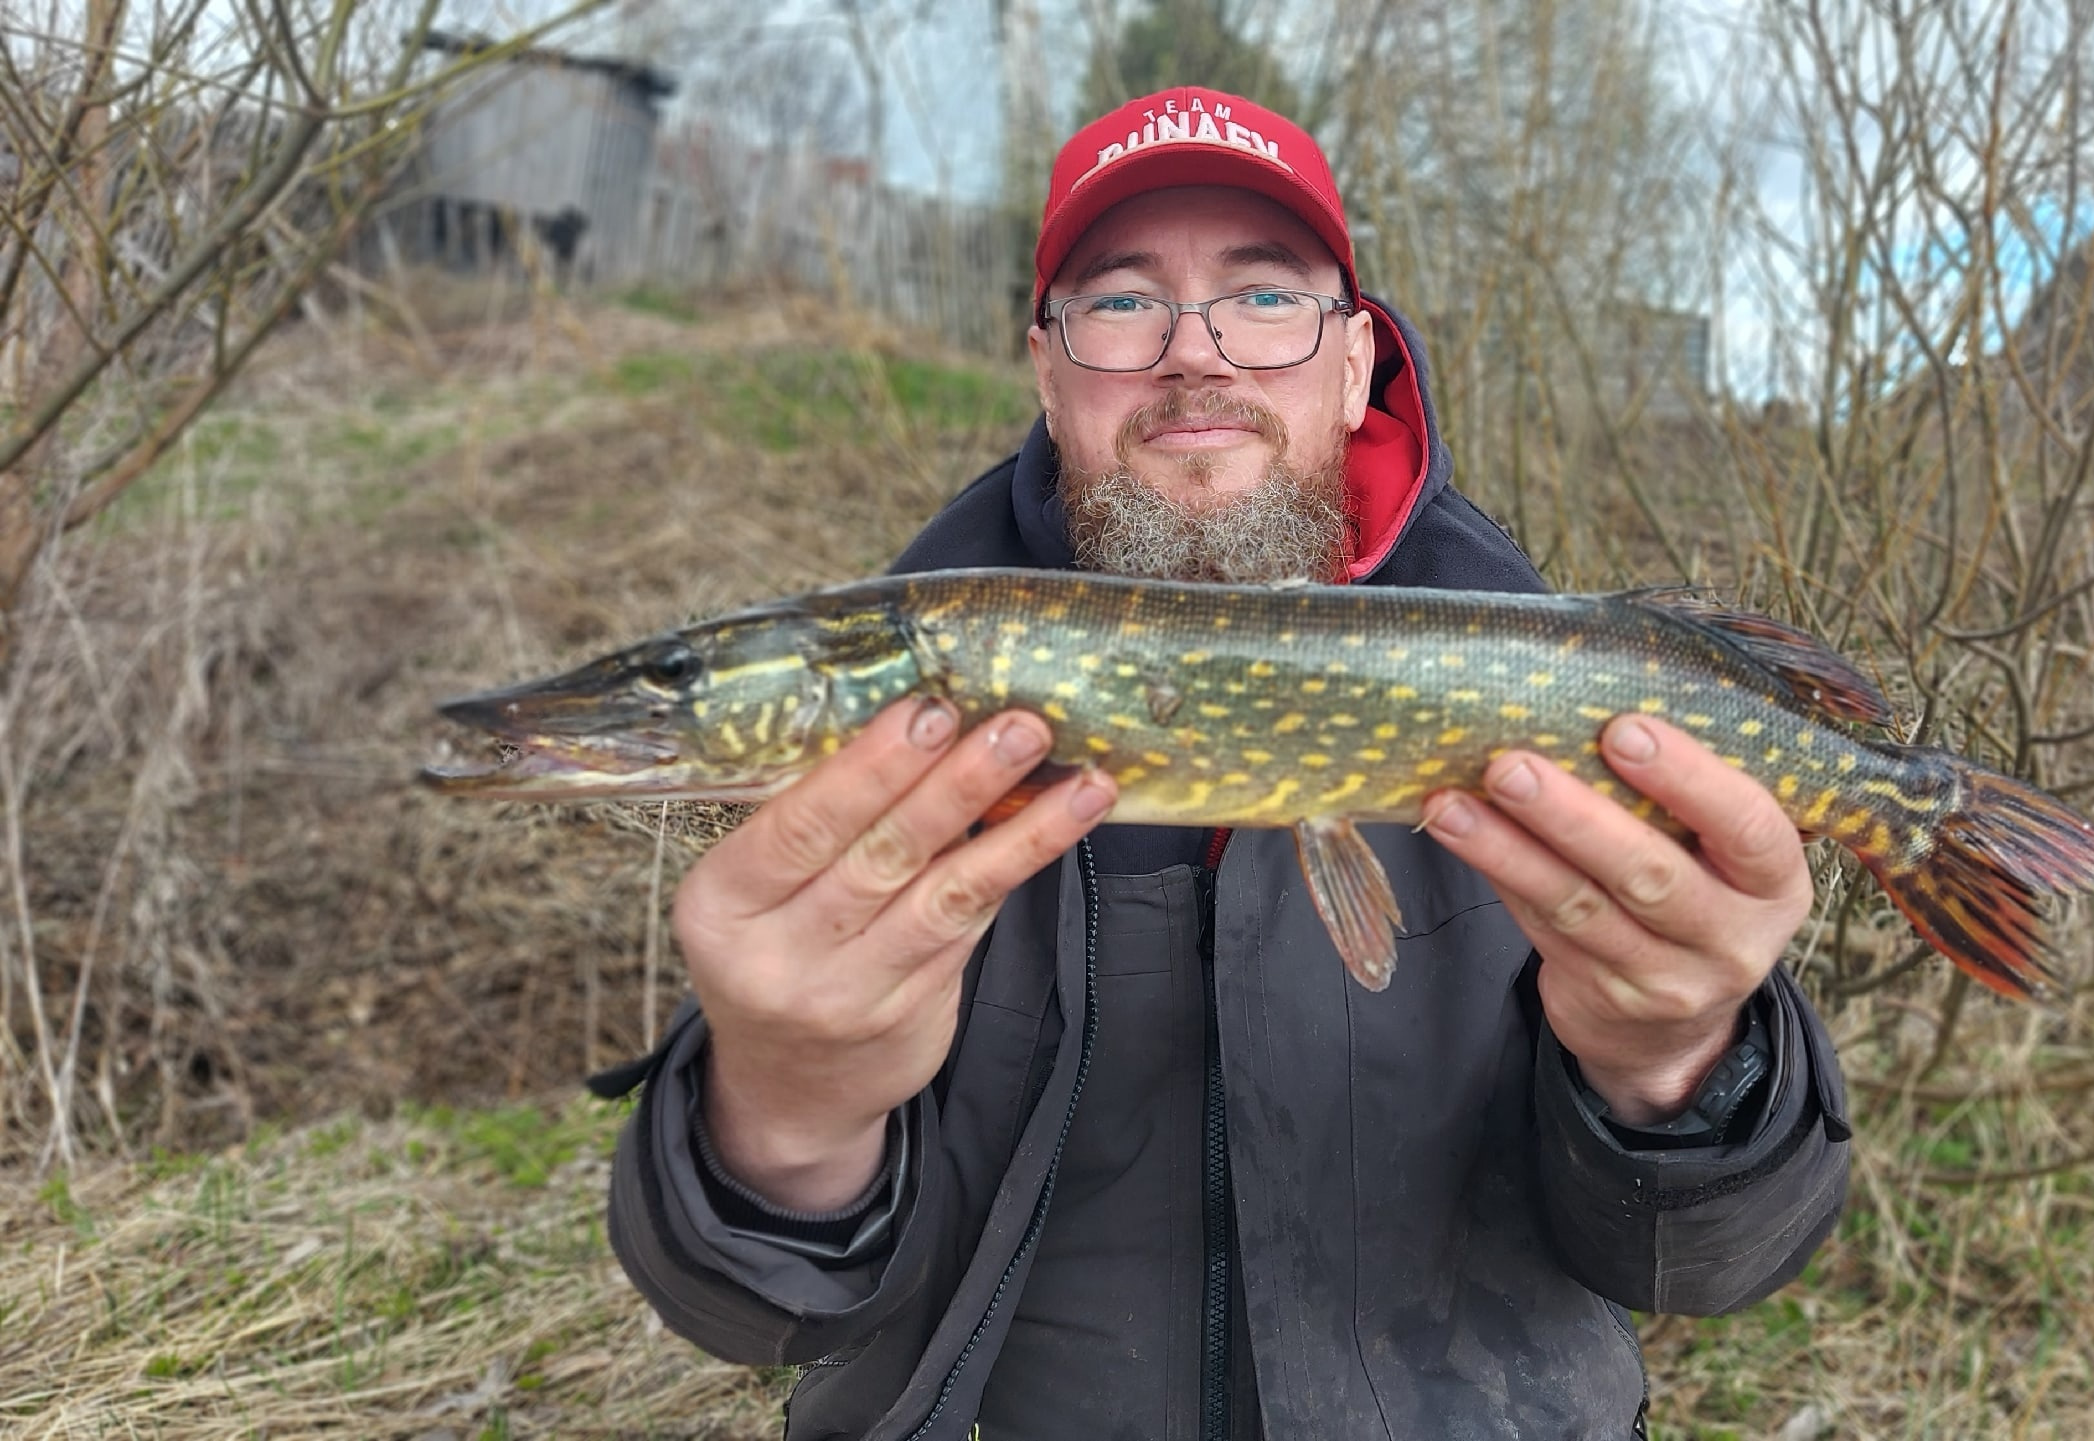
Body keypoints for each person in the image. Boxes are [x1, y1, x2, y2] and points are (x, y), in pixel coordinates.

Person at [598, 86, 1853, 1441]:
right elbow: (759, 1315)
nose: (1195, 355)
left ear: (1358, 358)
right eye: (1124, 302)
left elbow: (1704, 1262)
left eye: (1263, 297)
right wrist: (786, 1108)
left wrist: (1679, 1063)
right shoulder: (918, 713)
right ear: (1046, 365)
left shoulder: (1535, 681)